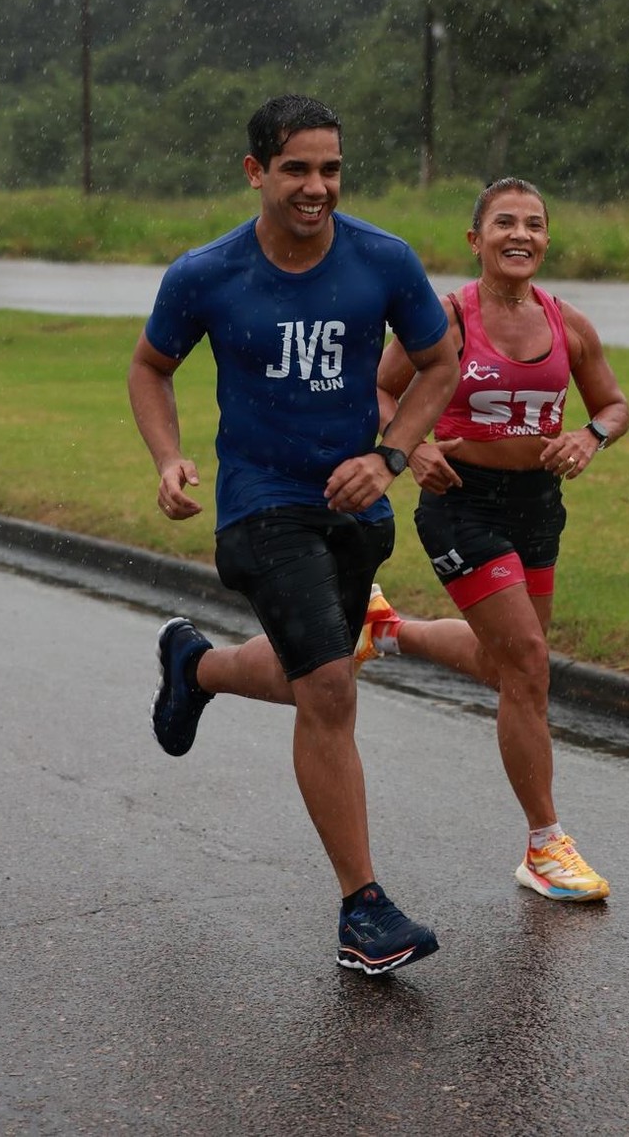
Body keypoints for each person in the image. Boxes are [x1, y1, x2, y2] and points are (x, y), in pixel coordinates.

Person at [127, 93, 459, 976]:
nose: (318, 187)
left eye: (331, 169)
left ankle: (193, 666)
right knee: (330, 690)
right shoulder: (208, 274)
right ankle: (364, 910)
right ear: (256, 172)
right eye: (298, 169)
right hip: (260, 505)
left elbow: (439, 364)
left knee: (316, 672)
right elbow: (151, 366)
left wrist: (390, 456)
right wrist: (168, 458)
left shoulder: (382, 260)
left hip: (356, 505)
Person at [356, 176, 629, 902]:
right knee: (530, 663)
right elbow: (379, 389)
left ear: (545, 240)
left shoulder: (567, 325)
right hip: (461, 505)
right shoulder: (444, 319)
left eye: (534, 225)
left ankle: (385, 631)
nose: (521, 235)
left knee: (510, 667)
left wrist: (590, 436)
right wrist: (412, 449)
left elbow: (613, 403)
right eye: (504, 223)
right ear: (476, 241)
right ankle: (545, 845)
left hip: (537, 505)